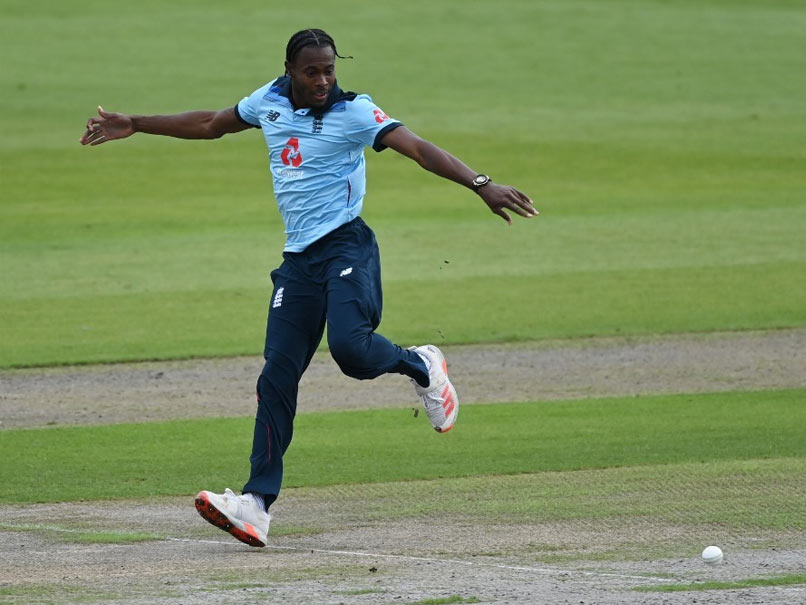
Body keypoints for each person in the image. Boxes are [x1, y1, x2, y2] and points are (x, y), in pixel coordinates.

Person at [80, 28, 538, 547]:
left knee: (351, 352)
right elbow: (210, 123)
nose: (322, 81)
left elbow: (418, 149)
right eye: (312, 72)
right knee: (276, 375)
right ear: (290, 71)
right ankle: (256, 503)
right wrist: (136, 123)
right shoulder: (268, 101)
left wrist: (481, 184)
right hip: (298, 262)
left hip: (347, 247)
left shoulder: (356, 111)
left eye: (329, 70)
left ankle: (422, 365)